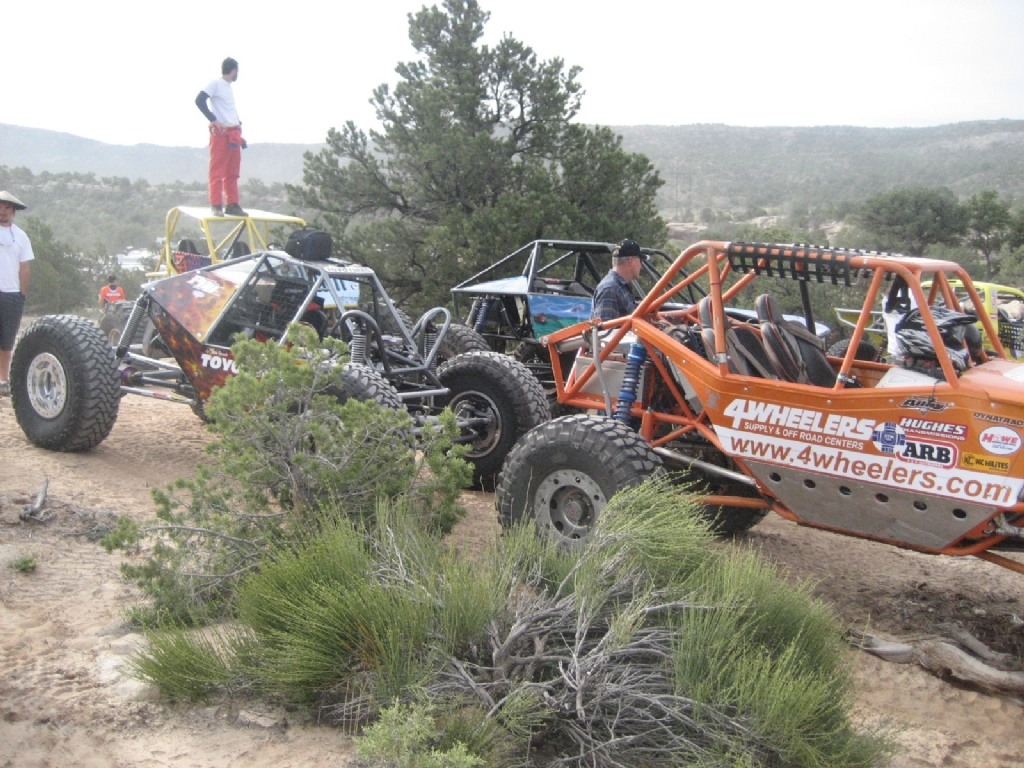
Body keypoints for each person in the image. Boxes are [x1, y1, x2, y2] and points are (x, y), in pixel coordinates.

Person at [196, 57, 247, 218]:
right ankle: (216, 205)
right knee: (217, 171)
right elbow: (199, 100)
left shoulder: (228, 88)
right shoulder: (215, 84)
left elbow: (226, 107)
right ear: (234, 71)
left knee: (232, 172)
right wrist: (213, 120)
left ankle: (232, 204)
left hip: (233, 133)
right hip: (221, 134)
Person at [0, 191, 33, 397]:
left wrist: (22, 295)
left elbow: (25, 268)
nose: (2, 212)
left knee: (6, 341)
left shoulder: (20, 236)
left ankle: (3, 380)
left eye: (7, 208)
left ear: (13, 211)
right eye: (0, 207)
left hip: (11, 295)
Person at [591, 238, 648, 322]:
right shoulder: (610, 289)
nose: (641, 266)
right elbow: (604, 332)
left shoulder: (621, 287)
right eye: (640, 261)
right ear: (631, 261)